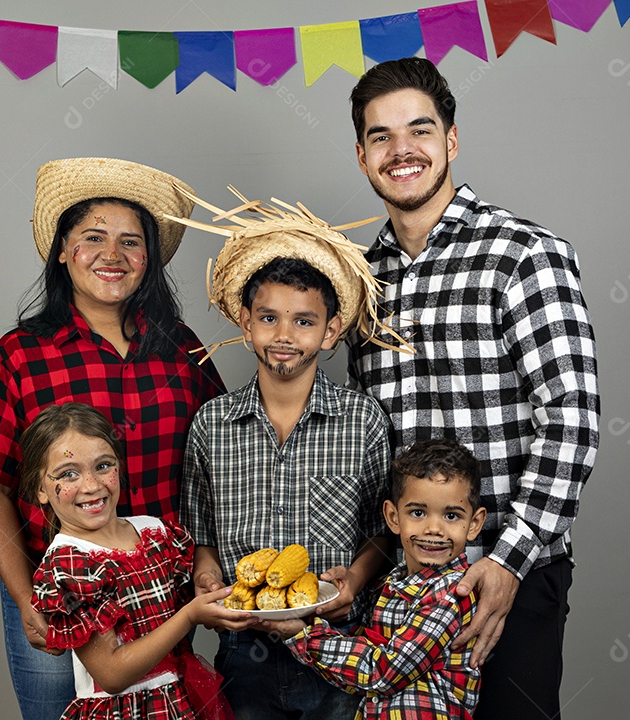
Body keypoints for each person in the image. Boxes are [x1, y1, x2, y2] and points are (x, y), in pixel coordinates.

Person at [344, 57, 600, 719]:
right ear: (362, 155)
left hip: (507, 569)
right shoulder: (357, 284)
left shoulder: (524, 253)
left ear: (451, 141)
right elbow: (365, 441)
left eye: (420, 130)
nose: (402, 150)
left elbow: (571, 419)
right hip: (402, 586)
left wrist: (511, 561)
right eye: (381, 136)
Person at [0, 158, 226, 720]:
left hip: (159, 590)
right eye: (93, 237)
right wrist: (27, 596)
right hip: (60, 593)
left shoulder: (182, 350)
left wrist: (204, 557)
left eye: (130, 242)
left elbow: (217, 468)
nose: (112, 255)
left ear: (149, 260)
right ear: (63, 251)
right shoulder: (18, 356)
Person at [174, 191, 406, 720]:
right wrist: (206, 579)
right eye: (269, 318)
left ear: (331, 332)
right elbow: (201, 534)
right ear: (245, 323)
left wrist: (359, 576)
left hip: (338, 641)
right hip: (244, 648)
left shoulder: (362, 420)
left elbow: (380, 530)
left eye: (304, 321)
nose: (284, 336)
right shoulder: (212, 426)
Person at [22, 402, 253, 720]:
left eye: (103, 466)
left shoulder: (156, 532)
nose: (91, 485)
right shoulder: (67, 567)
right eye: (69, 474)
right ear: (41, 489)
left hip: (179, 704)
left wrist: (207, 593)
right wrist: (189, 617)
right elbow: (113, 675)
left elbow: (184, 610)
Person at [266, 438, 487, 719]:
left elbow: (383, 672)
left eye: (452, 515)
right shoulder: (388, 585)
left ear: (475, 523)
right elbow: (354, 672)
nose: (434, 529)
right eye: (418, 513)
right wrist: (315, 613)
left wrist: (304, 635)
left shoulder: (450, 595)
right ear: (393, 517)